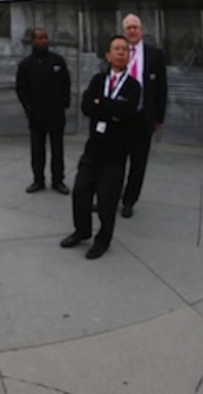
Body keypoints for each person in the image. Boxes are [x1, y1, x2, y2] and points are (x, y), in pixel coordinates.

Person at [60, 35, 140, 260]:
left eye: (125, 49)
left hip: (115, 155)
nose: (121, 52)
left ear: (129, 56)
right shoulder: (98, 80)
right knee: (80, 193)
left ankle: (103, 240)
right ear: (108, 55)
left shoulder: (133, 86)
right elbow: (87, 106)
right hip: (93, 150)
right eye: (117, 49)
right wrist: (111, 110)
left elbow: (127, 112)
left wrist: (102, 103)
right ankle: (82, 231)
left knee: (106, 203)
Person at [120, 13, 168, 219]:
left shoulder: (155, 55)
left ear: (141, 30)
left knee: (138, 163)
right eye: (128, 28)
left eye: (135, 27)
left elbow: (162, 88)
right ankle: (109, 195)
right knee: (115, 160)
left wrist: (158, 118)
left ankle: (129, 201)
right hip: (119, 117)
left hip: (142, 117)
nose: (132, 31)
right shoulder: (118, 51)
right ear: (124, 31)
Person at [15, 28, 71, 194]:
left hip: (56, 113)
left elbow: (66, 83)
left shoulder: (58, 61)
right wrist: (28, 107)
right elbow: (21, 88)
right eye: (40, 38)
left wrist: (64, 103)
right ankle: (38, 180)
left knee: (57, 149)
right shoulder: (26, 64)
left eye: (46, 37)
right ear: (33, 41)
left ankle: (58, 180)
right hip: (36, 115)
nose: (44, 40)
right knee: (37, 149)